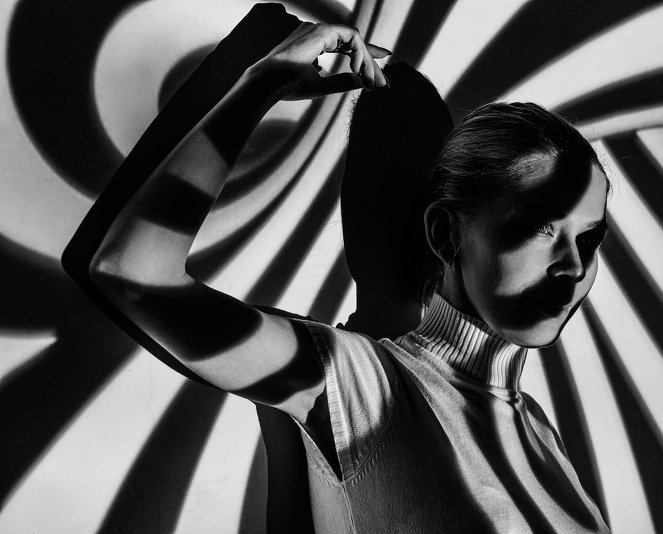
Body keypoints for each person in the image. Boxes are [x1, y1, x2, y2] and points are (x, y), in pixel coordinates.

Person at [66, 8, 611, 533]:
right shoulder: (357, 382)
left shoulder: (537, 428)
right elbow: (131, 276)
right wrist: (263, 80)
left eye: (589, 238)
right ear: (445, 233)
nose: (574, 265)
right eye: (540, 227)